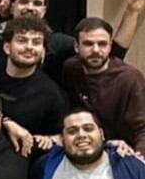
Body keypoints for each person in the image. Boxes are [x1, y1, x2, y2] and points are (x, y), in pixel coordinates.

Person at [0, 0, 142, 82]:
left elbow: (113, 54)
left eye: (37, 4)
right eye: (24, 2)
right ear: (12, 5)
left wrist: (132, 12)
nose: (30, 7)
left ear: (44, 10)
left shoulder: (58, 43)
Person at [62, 17, 145, 155]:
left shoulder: (130, 78)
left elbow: (142, 128)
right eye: (88, 44)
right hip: (84, 148)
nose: (96, 50)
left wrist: (139, 161)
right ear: (77, 47)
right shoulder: (71, 69)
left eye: (102, 44)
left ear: (110, 46)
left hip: (123, 152)